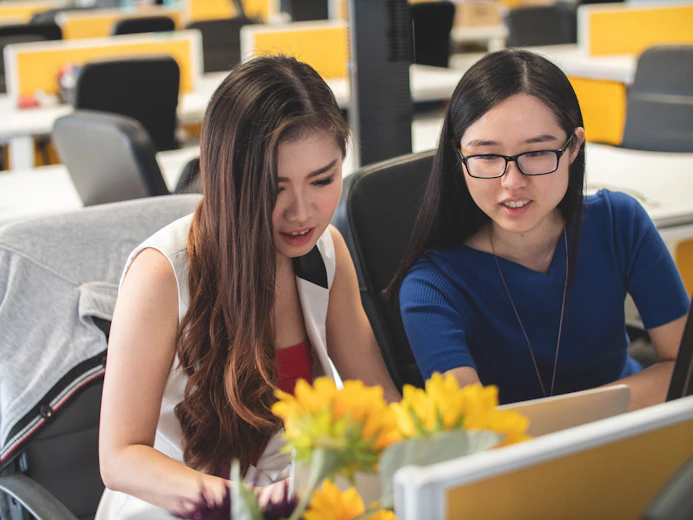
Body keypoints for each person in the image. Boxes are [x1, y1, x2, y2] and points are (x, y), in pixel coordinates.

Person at [96, 55, 400, 519]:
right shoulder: (162, 273)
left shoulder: (325, 252)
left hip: (285, 498)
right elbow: (120, 458)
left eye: (323, 180)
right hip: (178, 504)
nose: (302, 212)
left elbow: (380, 402)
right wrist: (247, 506)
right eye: (274, 187)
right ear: (228, 179)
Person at [391, 49, 690, 411]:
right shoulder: (432, 286)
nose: (512, 182)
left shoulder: (619, 224)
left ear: (573, 147)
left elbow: (683, 367)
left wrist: (570, 421)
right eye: (487, 156)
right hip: (519, 462)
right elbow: (472, 430)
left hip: (631, 436)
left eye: (536, 153)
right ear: (459, 157)